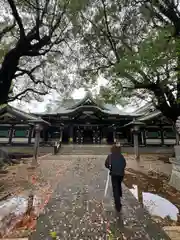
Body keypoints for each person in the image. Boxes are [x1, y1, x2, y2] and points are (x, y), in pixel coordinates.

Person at [105, 144, 126, 212]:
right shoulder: (121, 156)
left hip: (114, 174)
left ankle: (118, 205)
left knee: (115, 188)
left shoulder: (110, 156)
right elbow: (124, 164)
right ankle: (119, 194)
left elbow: (106, 164)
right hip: (121, 174)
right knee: (119, 184)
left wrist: (110, 168)